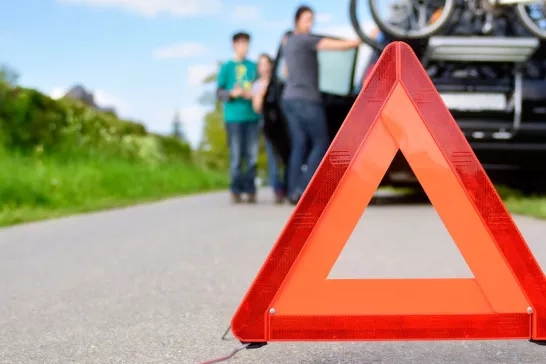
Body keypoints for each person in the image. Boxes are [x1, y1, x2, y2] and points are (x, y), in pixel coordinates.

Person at [281, 5, 362, 205]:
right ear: (297, 21)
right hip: (307, 99)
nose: (311, 24)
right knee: (321, 142)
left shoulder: (289, 42)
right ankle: (305, 188)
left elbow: (284, 73)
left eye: (312, 20)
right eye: (307, 19)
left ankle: (293, 191)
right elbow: (339, 46)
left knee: (299, 144)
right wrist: (362, 39)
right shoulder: (306, 40)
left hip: (289, 99)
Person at [217, 32, 260, 204]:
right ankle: (235, 189)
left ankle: (250, 189)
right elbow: (219, 92)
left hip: (252, 116)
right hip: (233, 117)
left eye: (246, 43)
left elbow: (260, 87)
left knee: (252, 155)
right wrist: (231, 94)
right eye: (240, 43)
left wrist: (252, 93)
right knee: (236, 155)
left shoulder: (253, 66)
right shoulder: (227, 67)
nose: (244, 47)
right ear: (234, 45)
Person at [251, 53, 287, 204]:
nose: (264, 68)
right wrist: (261, 94)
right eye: (261, 65)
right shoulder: (257, 85)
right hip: (268, 125)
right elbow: (256, 108)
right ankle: (277, 188)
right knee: (272, 157)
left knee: (285, 156)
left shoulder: (279, 81)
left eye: (267, 64)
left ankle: (287, 185)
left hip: (283, 123)